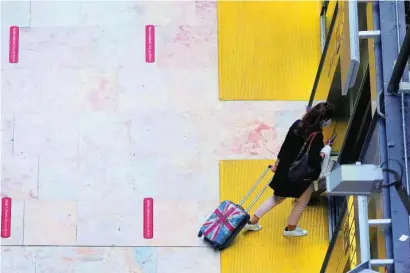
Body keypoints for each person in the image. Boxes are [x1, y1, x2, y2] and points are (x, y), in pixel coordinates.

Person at [244, 102, 335, 237]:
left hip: (284, 169)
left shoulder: (297, 124)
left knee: (276, 198)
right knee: (302, 201)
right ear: (323, 120)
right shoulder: (316, 135)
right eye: (328, 119)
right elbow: (313, 160)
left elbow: (285, 146)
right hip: (299, 176)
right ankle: (290, 229)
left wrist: (277, 164)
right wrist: (325, 150)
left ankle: (252, 222)